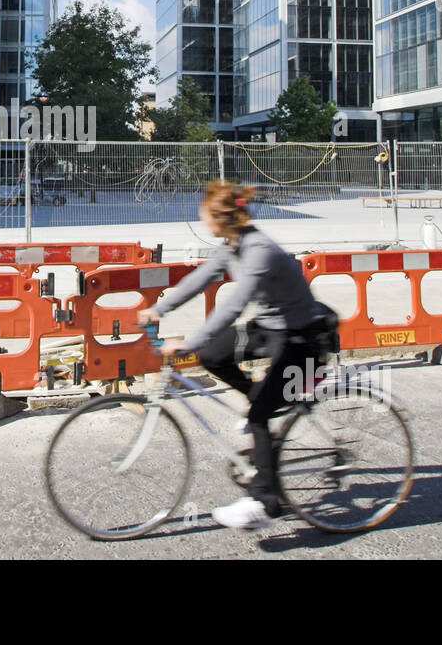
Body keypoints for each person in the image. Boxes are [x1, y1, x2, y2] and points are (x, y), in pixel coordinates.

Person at [137, 179, 336, 530]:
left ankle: (264, 502)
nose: (202, 221)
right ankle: (263, 400)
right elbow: (201, 278)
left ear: (222, 217)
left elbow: (233, 305)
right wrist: (159, 308)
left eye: (205, 215)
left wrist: (189, 341)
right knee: (213, 355)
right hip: (271, 329)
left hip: (302, 338)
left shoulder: (259, 250)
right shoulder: (234, 244)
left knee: (259, 416)